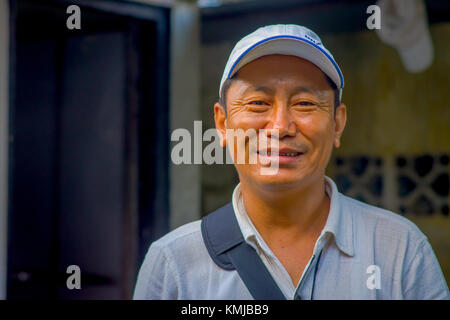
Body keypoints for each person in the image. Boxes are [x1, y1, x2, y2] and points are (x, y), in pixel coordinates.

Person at [133, 24, 450, 300]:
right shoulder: (173, 263)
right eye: (258, 103)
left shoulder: (401, 250)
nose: (281, 127)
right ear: (222, 125)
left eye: (305, 103)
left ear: (337, 124)